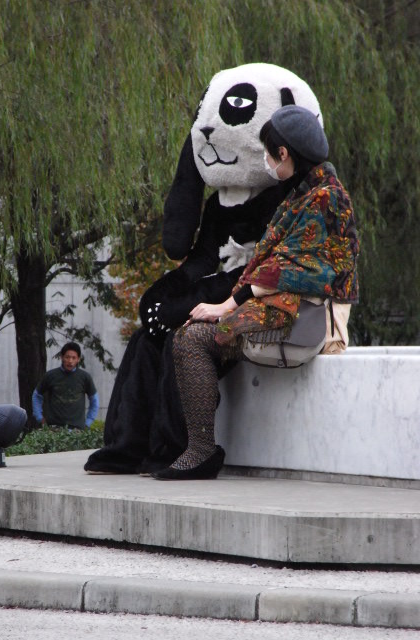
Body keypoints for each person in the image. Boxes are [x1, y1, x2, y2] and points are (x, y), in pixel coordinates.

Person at [151, 105, 359, 480]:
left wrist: (226, 306)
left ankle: (200, 451)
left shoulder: (325, 198)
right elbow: (275, 262)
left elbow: (292, 268)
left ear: (284, 153)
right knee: (190, 335)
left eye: (268, 152)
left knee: (192, 338)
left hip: (302, 315)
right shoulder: (306, 192)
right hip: (281, 308)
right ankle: (197, 448)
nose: (266, 160)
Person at [32, 342, 99, 430]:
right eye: (67, 357)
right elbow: (37, 395)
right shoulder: (50, 376)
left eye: (74, 358)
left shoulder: (85, 377)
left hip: (77, 430)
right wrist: (39, 417)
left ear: (78, 359)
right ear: (62, 357)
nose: (70, 361)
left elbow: (94, 401)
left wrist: (88, 422)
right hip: (53, 429)